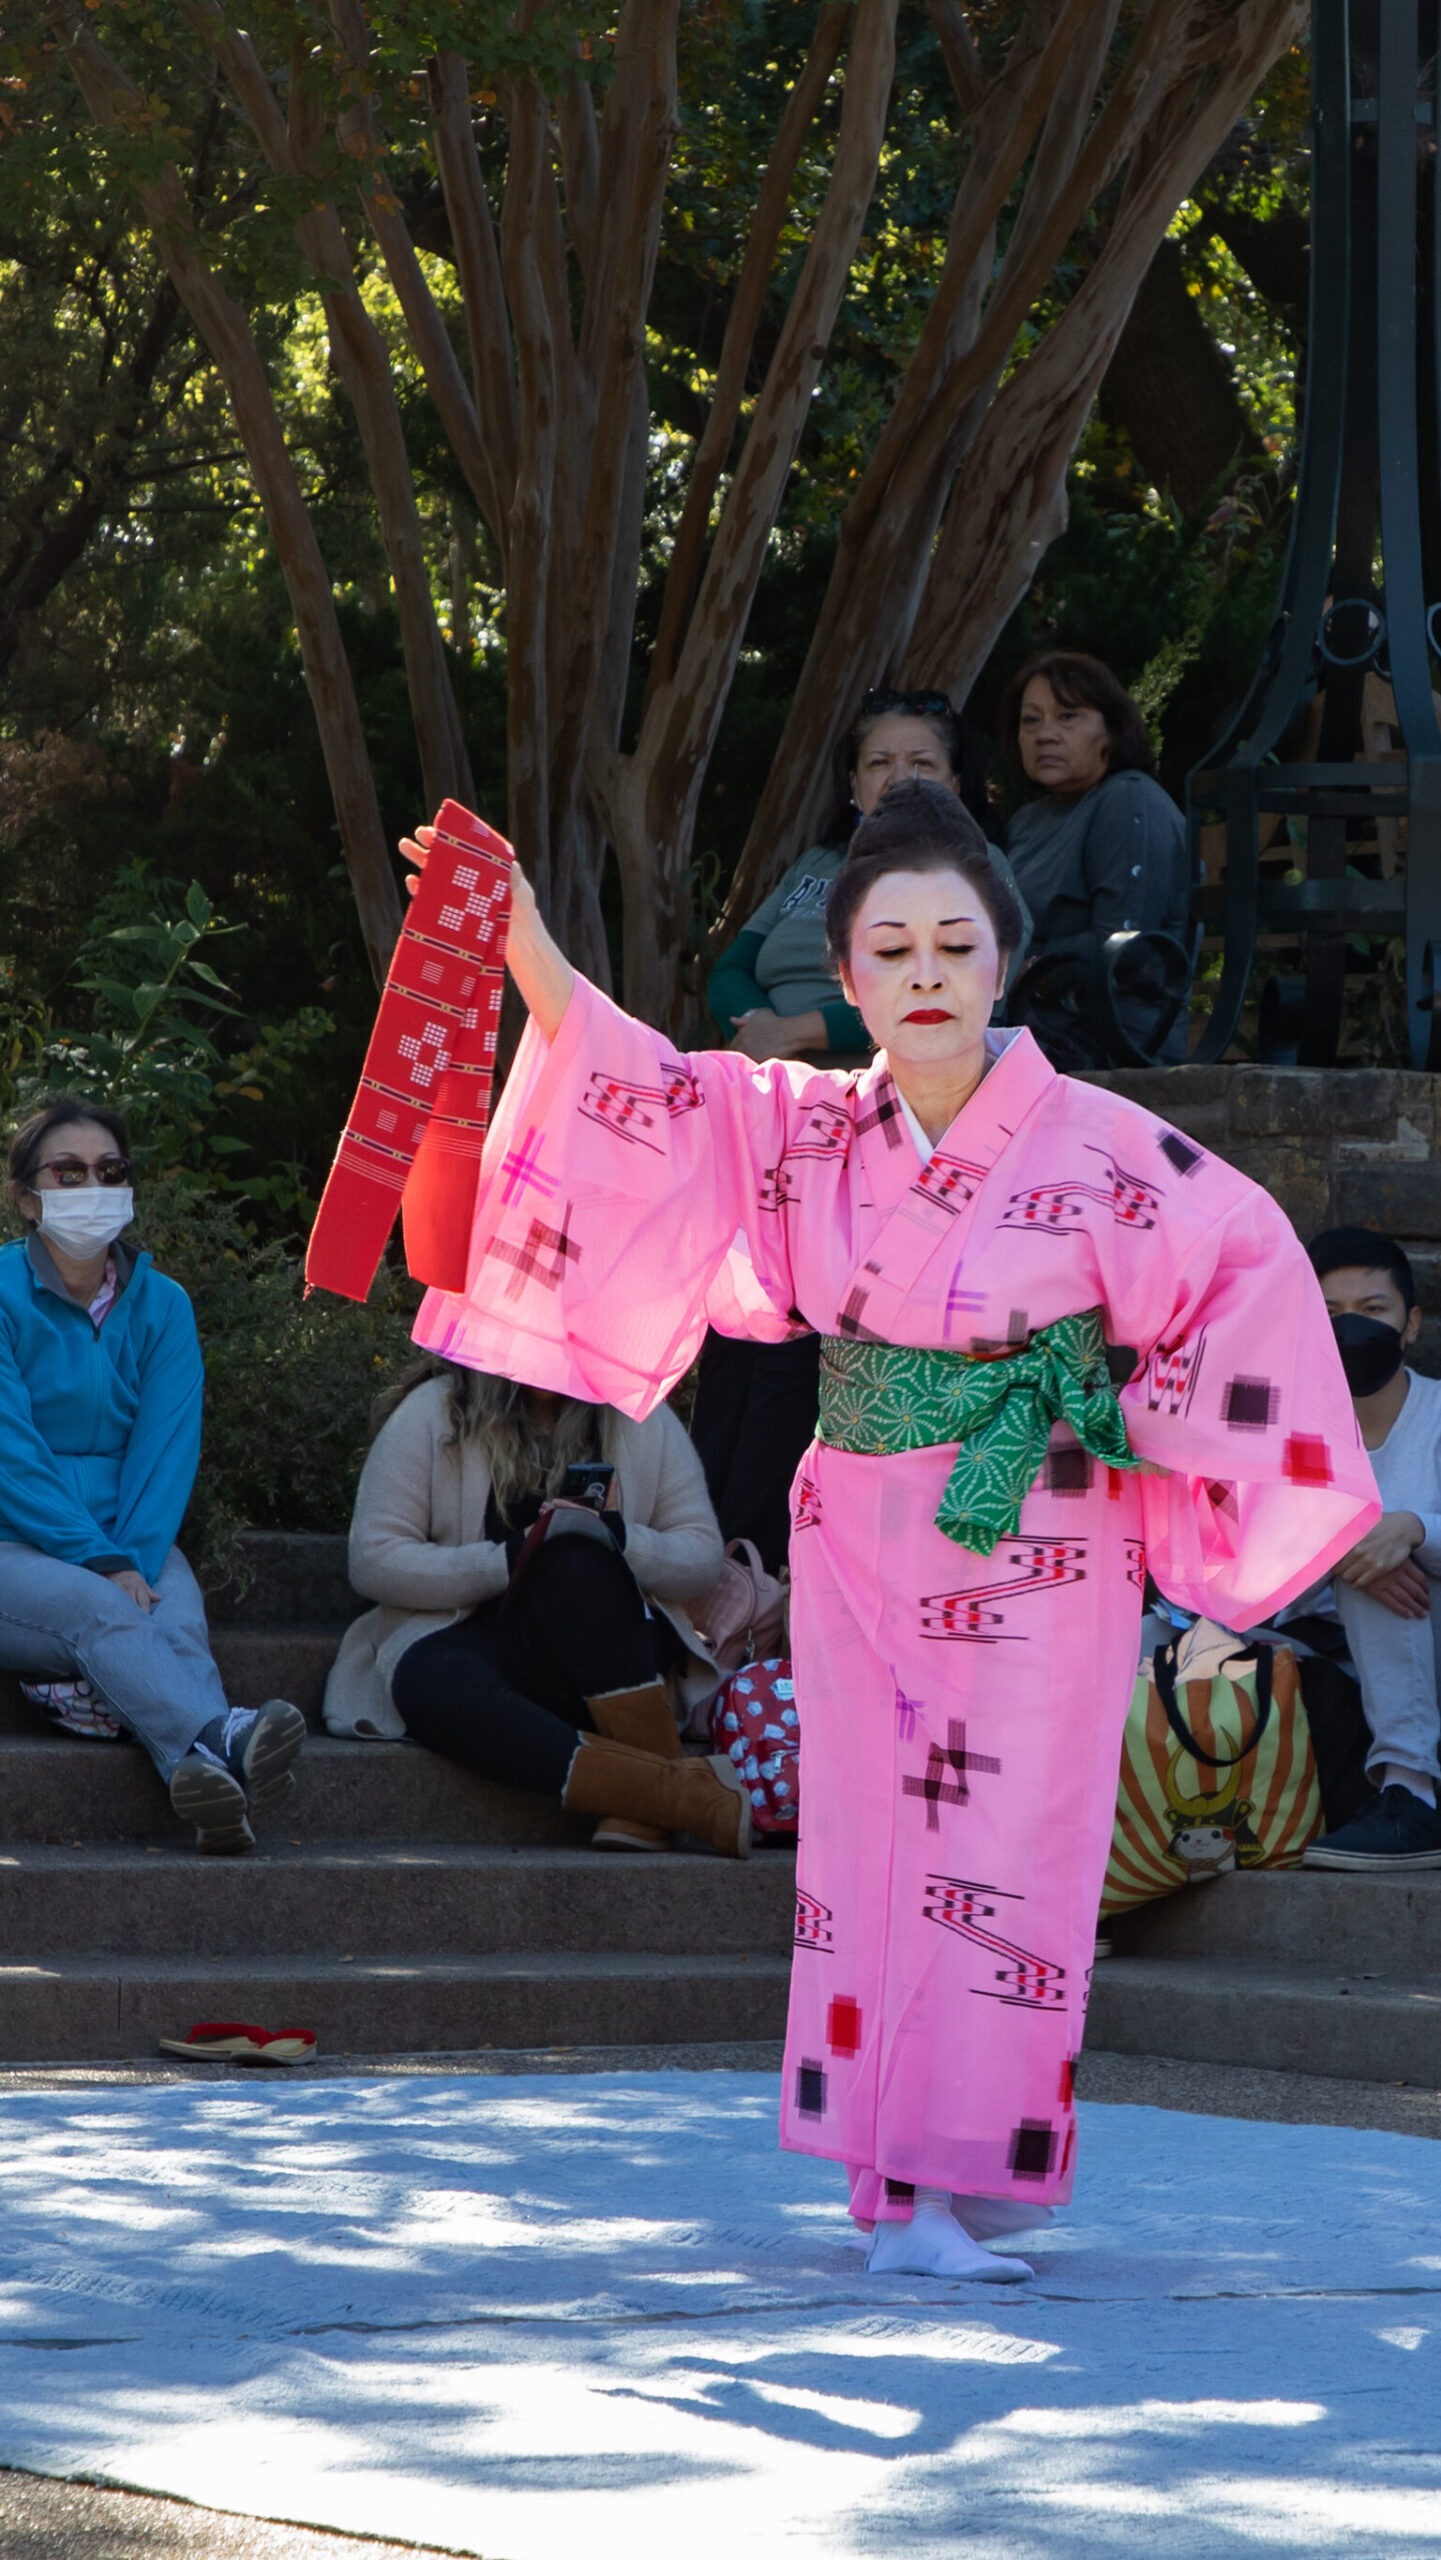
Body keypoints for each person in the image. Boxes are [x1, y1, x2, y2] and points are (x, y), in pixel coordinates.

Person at [400, 779, 1374, 2282]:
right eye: (893, 950)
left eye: (953, 946)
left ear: (1003, 962)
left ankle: (968, 2159)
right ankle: (891, 2187)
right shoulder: (801, 1129)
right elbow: (637, 1084)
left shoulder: (1113, 1148)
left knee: (1026, 1848)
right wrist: (522, 940)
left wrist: (1135, 1420)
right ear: (847, 978)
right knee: (871, 1841)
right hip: (862, 1522)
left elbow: (1245, 1275)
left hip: (1046, 1525)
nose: (925, 975)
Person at [697, 688, 1030, 1571]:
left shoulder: (974, 874)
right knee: (729, 1331)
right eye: (880, 762)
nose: (898, 778)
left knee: (800, 1341)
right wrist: (756, 1030)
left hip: (874, 1115)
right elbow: (729, 968)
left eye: (921, 762)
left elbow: (948, 1002)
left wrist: (800, 1034)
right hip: (769, 1108)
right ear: (850, 782)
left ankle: (763, 1568)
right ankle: (703, 1561)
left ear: (958, 780)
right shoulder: (813, 864)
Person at [0, 1099, 305, 1852]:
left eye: (110, 1171)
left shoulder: (164, 1306)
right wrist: (100, 1561)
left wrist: (131, 1558)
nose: (91, 1185)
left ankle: (200, 1778)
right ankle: (222, 1734)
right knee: (93, 1608)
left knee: (174, 1617)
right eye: (67, 1172)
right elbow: (9, 1452)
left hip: (129, 1533)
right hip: (13, 1544)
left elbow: (167, 1449)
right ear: (26, 1196)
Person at [327, 1358, 733, 1853]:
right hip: (472, 1645)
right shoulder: (434, 1412)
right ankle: (669, 1795)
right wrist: (510, 1558)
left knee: (573, 1564)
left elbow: (702, 1556)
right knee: (426, 1682)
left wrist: (619, 1538)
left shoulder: (638, 1413)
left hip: (602, 1654)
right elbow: (373, 1559)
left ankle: (647, 1792)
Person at [1296, 1228, 1441, 1870]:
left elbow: (1396, 1546)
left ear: (1411, 1324)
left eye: (1372, 1311)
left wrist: (1412, 1527)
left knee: (1379, 1557)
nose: (1352, 1330)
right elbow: (1231, 1550)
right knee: (1155, 1631)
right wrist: (1335, 1546)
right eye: (1330, 1315)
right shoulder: (1282, 1427)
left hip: (1420, 1649)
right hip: (1313, 1657)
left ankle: (1411, 1794)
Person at [1000, 651, 1193, 1066]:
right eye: (1030, 720)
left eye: (1067, 717)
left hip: (1106, 1039)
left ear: (1111, 730)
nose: (1044, 734)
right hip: (1024, 1025)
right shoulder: (1026, 822)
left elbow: (1123, 947)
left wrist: (1023, 973)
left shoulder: (1128, 800)